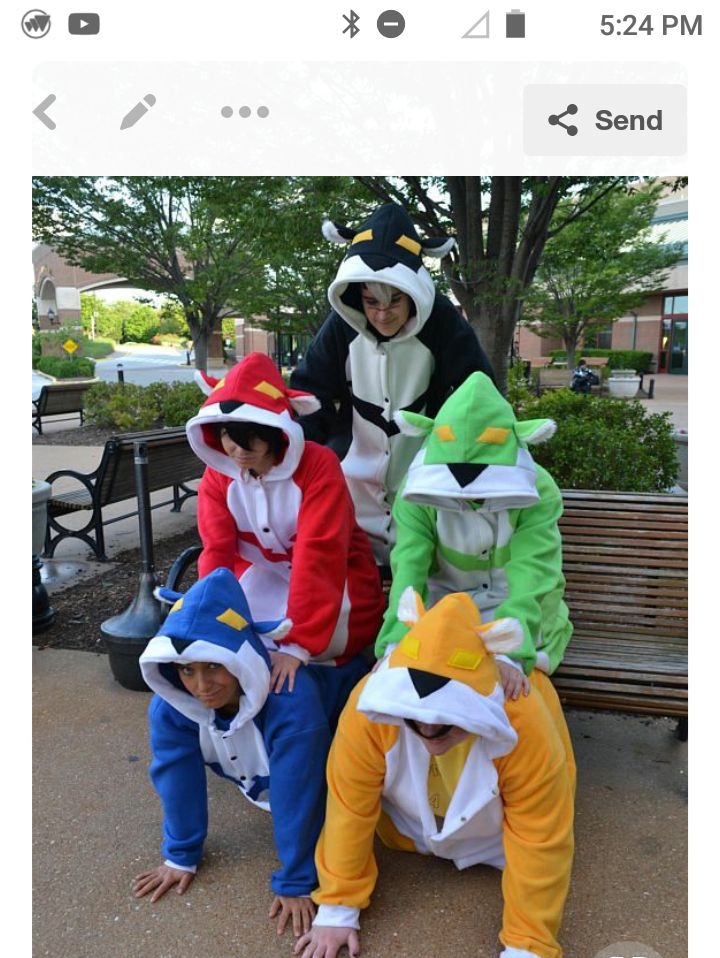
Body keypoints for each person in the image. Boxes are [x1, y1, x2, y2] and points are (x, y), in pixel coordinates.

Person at [295, 590, 576, 958]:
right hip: (406, 835)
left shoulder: (524, 717)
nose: (427, 729)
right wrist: (337, 907)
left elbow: (540, 833)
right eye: (415, 716)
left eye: (446, 720)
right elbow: (349, 807)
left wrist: (528, 949)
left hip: (496, 842)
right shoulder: (368, 708)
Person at [133, 569, 369, 938]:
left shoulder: (291, 702)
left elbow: (299, 792)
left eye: (214, 666)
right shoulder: (171, 707)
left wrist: (296, 880)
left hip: (345, 711)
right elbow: (175, 775)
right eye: (187, 670)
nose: (201, 686)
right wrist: (180, 854)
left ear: (239, 659)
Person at [289, 202, 495, 563]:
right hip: (349, 486)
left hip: (424, 485)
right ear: (356, 297)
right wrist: (305, 462)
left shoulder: (442, 321)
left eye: (394, 300)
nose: (382, 314)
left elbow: (479, 395)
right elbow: (310, 393)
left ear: (413, 290)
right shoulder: (341, 326)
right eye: (371, 302)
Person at [185, 352, 385, 695]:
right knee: (236, 638)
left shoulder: (318, 465)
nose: (236, 449)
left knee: (322, 649)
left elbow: (320, 554)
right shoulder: (218, 476)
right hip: (266, 576)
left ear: (276, 430)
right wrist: (206, 617)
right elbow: (216, 552)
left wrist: (298, 644)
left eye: (250, 435)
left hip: (338, 580)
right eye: (226, 435)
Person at [375, 371, 573, 699]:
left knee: (514, 699)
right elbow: (409, 571)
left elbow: (534, 572)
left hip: (522, 617)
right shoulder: (416, 493)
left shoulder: (538, 490)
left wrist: (512, 650)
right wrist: (395, 642)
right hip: (442, 614)